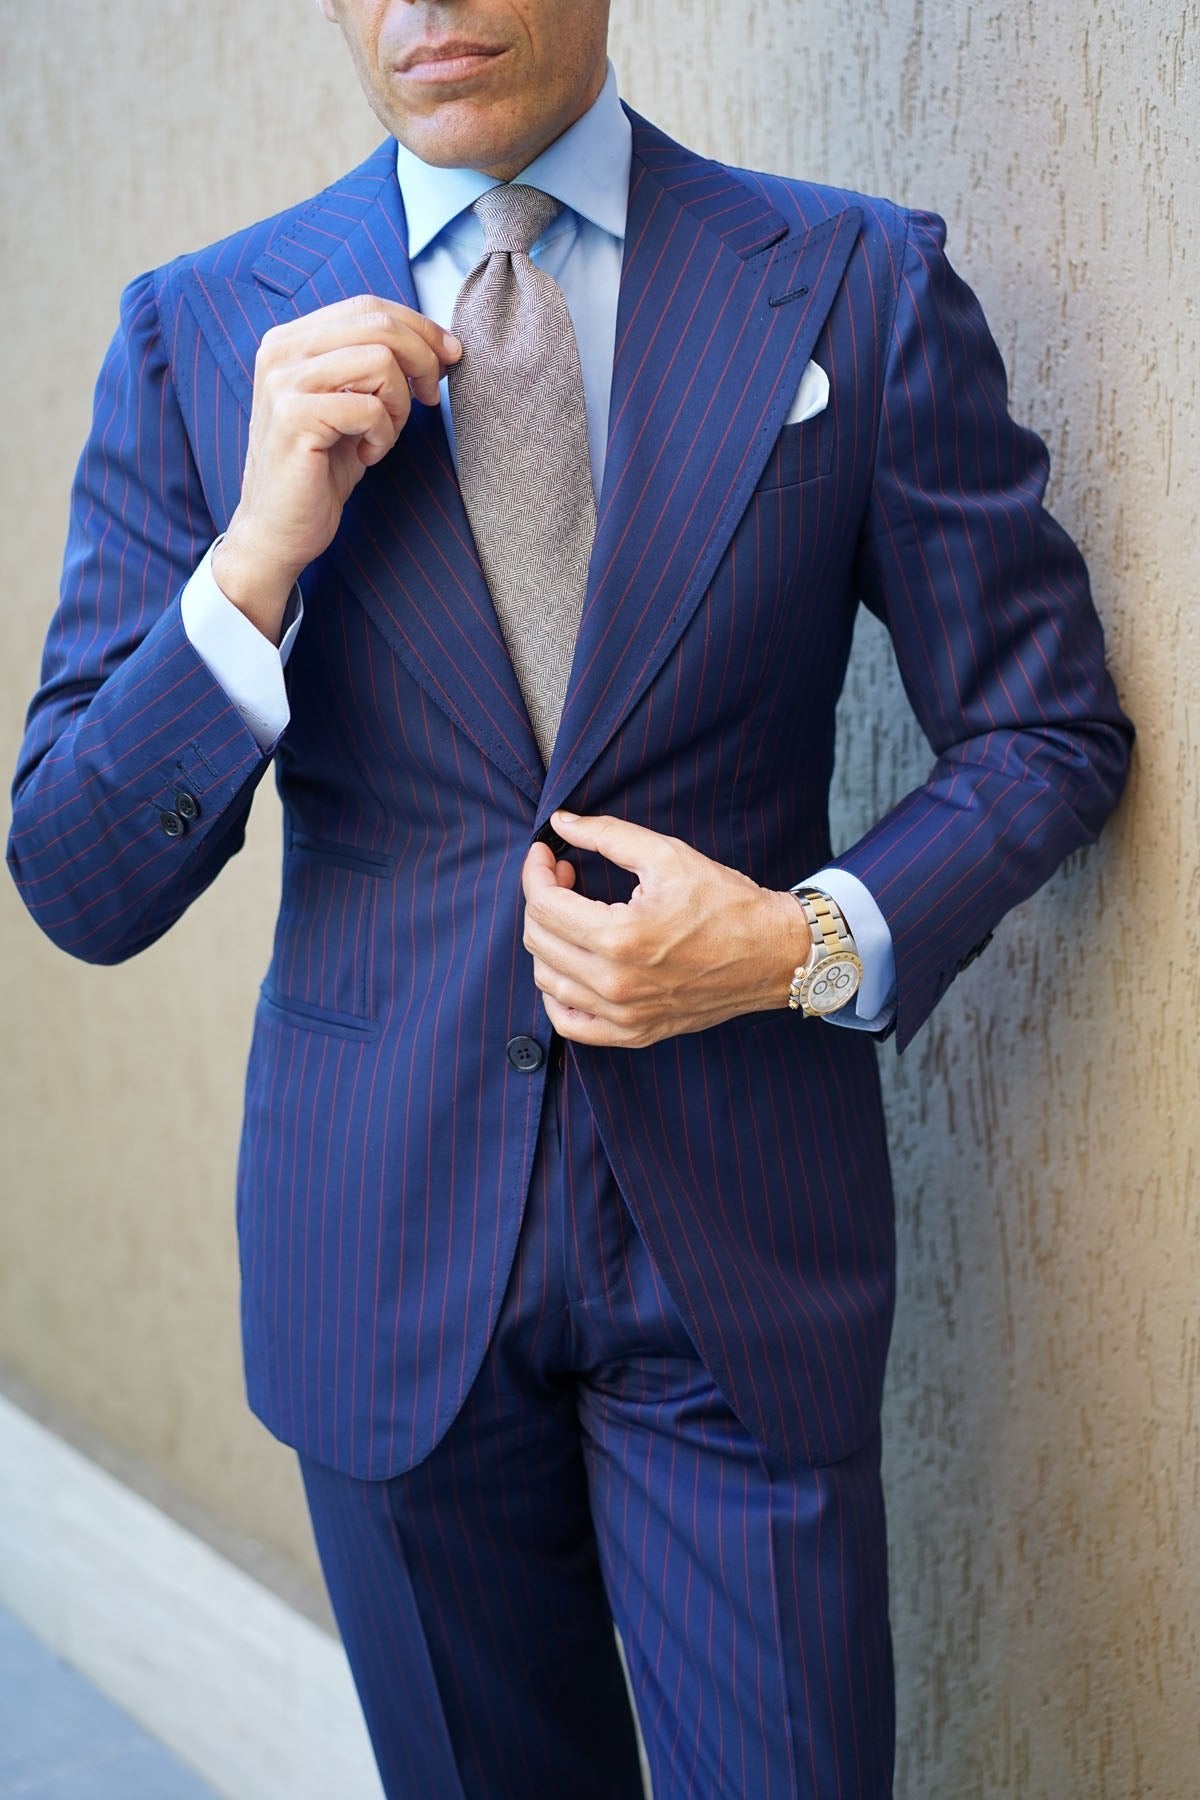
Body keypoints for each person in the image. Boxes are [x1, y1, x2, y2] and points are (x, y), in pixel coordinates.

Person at [8, 2, 1132, 1794]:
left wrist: (803, 939)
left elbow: (1049, 729)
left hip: (739, 1258)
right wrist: (252, 565)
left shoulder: (850, 278)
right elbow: (76, 874)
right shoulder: (201, 329)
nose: (424, 9)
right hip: (381, 1254)